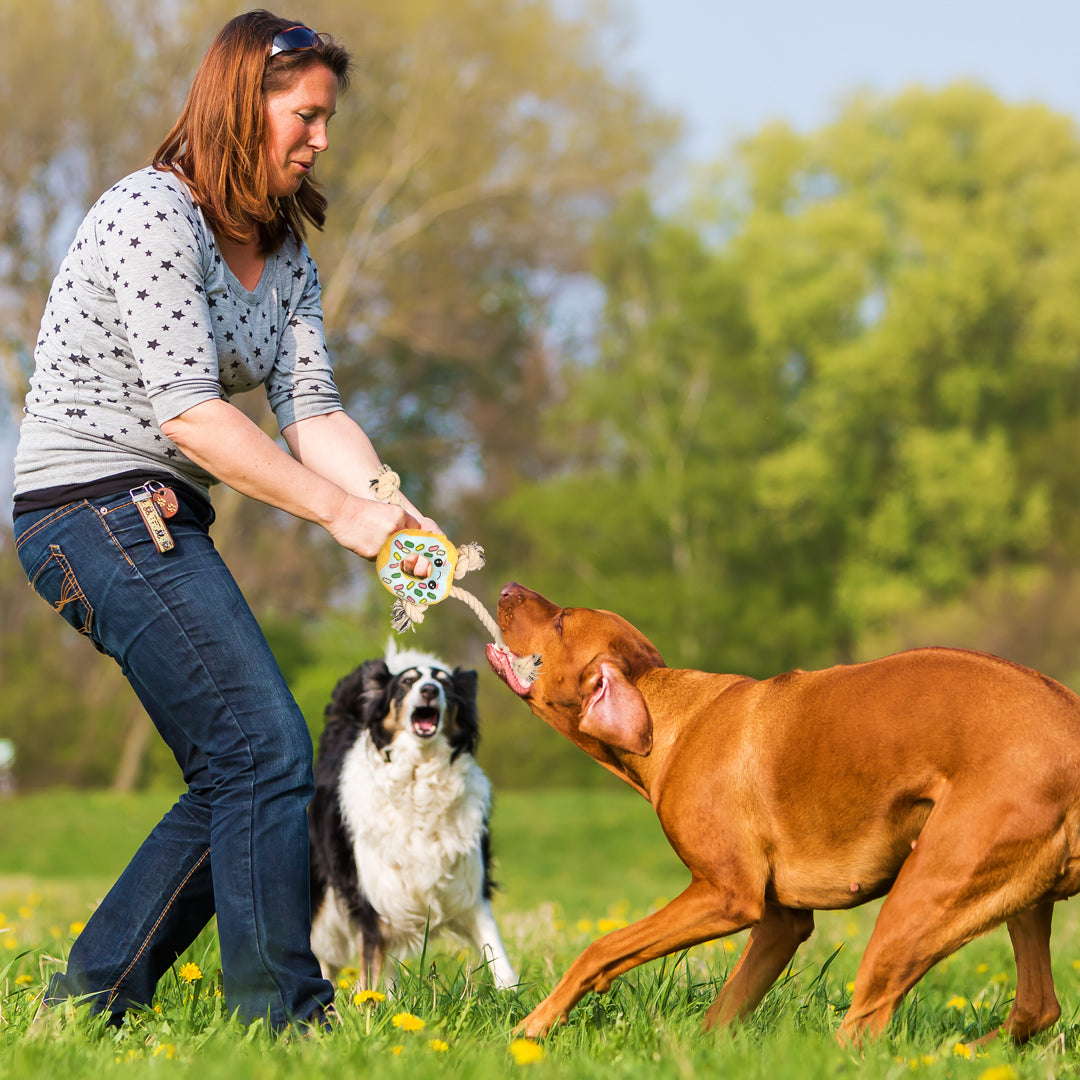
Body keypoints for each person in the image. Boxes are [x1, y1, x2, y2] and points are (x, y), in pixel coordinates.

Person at [11, 10, 438, 1032]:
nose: (323, 138)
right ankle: (284, 1021)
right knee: (264, 750)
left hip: (153, 514)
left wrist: (389, 505)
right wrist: (338, 514)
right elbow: (193, 417)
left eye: (329, 118)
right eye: (307, 115)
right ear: (244, 104)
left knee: (242, 768)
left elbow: (314, 411)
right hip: (86, 508)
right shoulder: (151, 214)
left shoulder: (287, 260)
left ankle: (87, 999)